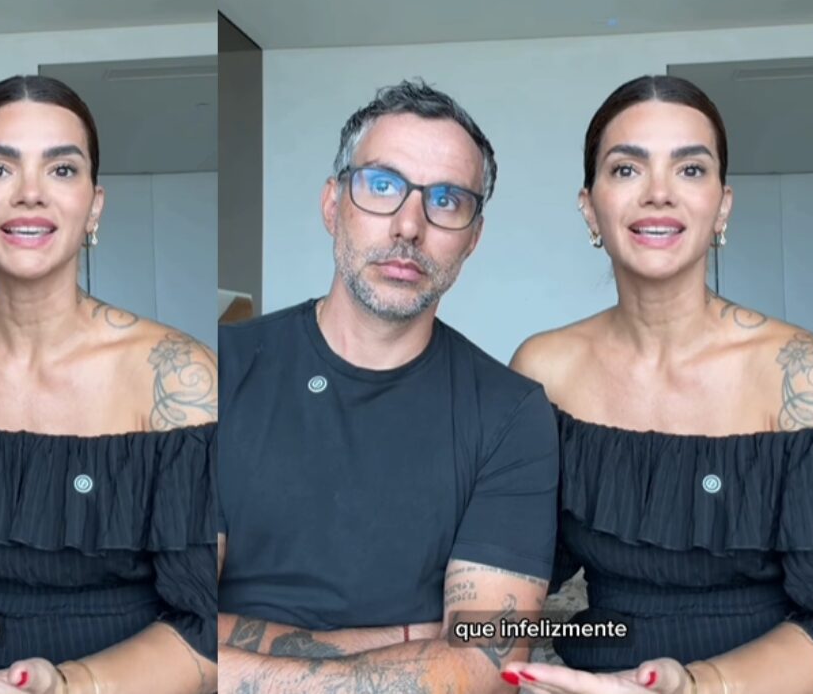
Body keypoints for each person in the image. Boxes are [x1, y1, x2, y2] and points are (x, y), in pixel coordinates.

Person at [0, 75, 218, 694]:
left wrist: (66, 685)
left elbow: (209, 629)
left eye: (61, 169)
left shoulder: (175, 374)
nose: (30, 193)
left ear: (94, 206)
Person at [502, 75, 813, 694]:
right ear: (590, 207)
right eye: (626, 169)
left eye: (690, 169)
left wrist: (694, 685)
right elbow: (512, 582)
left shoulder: (804, 375)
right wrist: (482, 654)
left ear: (723, 206)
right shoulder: (543, 369)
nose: (659, 193)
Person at [217, 80, 559, 693]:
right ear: (333, 205)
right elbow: (167, 633)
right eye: (382, 185)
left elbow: (484, 667)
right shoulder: (218, 370)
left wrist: (231, 660)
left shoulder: (512, 413)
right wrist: (402, 640)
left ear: (473, 237)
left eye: (446, 200)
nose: (409, 226)